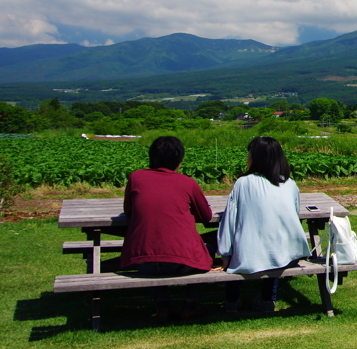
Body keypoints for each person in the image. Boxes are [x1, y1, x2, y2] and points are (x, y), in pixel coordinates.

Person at [121, 135, 214, 321]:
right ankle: (189, 305)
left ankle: (163, 306)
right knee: (209, 250)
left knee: (153, 251)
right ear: (179, 160)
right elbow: (206, 217)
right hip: (182, 262)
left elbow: (129, 212)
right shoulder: (187, 182)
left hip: (142, 261)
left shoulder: (136, 177)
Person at [216, 136, 311, 313]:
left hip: (250, 254)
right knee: (273, 240)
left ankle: (232, 301)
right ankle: (268, 299)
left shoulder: (243, 183)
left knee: (240, 240)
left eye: (249, 154)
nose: (247, 158)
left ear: (256, 158)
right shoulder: (290, 184)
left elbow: (230, 221)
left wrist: (225, 256)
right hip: (288, 253)